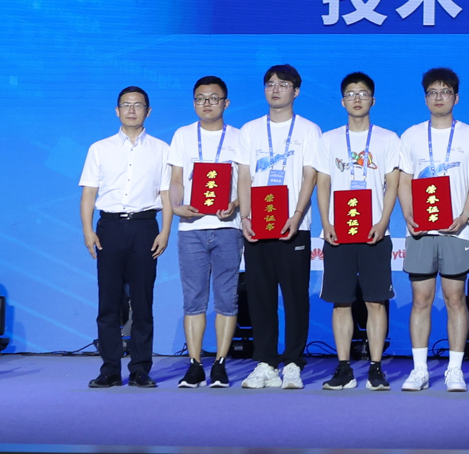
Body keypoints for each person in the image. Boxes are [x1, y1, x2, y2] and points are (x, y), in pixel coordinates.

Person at [78, 86, 172, 388]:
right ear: (117, 111)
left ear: (148, 111)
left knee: (143, 301)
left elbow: (166, 195)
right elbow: (89, 194)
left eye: (138, 105)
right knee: (109, 301)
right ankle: (109, 369)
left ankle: (140, 369)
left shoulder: (162, 149)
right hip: (109, 228)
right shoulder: (99, 148)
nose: (132, 110)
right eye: (126, 105)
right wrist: (88, 230)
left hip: (145, 227)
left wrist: (165, 231)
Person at [315, 73, 403, 391]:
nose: (357, 98)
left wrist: (383, 221)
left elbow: (393, 184)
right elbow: (323, 183)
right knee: (341, 302)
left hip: (374, 232)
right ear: (342, 101)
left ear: (372, 100)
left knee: (376, 302)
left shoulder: (388, 139)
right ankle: (343, 368)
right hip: (339, 232)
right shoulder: (328, 140)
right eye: (351, 93)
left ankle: (376, 368)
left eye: (363, 93)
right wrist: (326, 222)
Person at [397, 68, 469, 392]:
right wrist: (408, 215)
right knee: (421, 298)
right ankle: (419, 370)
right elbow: (405, 180)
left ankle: (454, 370)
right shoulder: (411, 135)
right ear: (425, 98)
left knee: (455, 298)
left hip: (456, 231)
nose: (438, 97)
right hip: (421, 231)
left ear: (456, 98)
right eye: (432, 92)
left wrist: (464, 216)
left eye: (445, 92)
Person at [165, 76, 252, 388]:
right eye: (201, 98)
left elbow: (245, 180)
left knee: (227, 298)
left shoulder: (240, 137)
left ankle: (220, 364)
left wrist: (237, 203)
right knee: (194, 299)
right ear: (194, 103)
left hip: (228, 227)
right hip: (192, 228)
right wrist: (176, 205)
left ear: (225, 103)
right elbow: (176, 179)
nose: (207, 104)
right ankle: (194, 364)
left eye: (214, 98)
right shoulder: (183, 135)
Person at [238, 65, 320, 390]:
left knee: (295, 297)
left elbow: (310, 174)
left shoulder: (309, 130)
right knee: (260, 296)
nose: (275, 89)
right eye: (270, 84)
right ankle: (266, 363)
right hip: (257, 225)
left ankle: (294, 363)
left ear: (296, 91)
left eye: (283, 85)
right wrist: (245, 217)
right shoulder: (250, 130)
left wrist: (297, 214)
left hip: (293, 225)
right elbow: (244, 176)